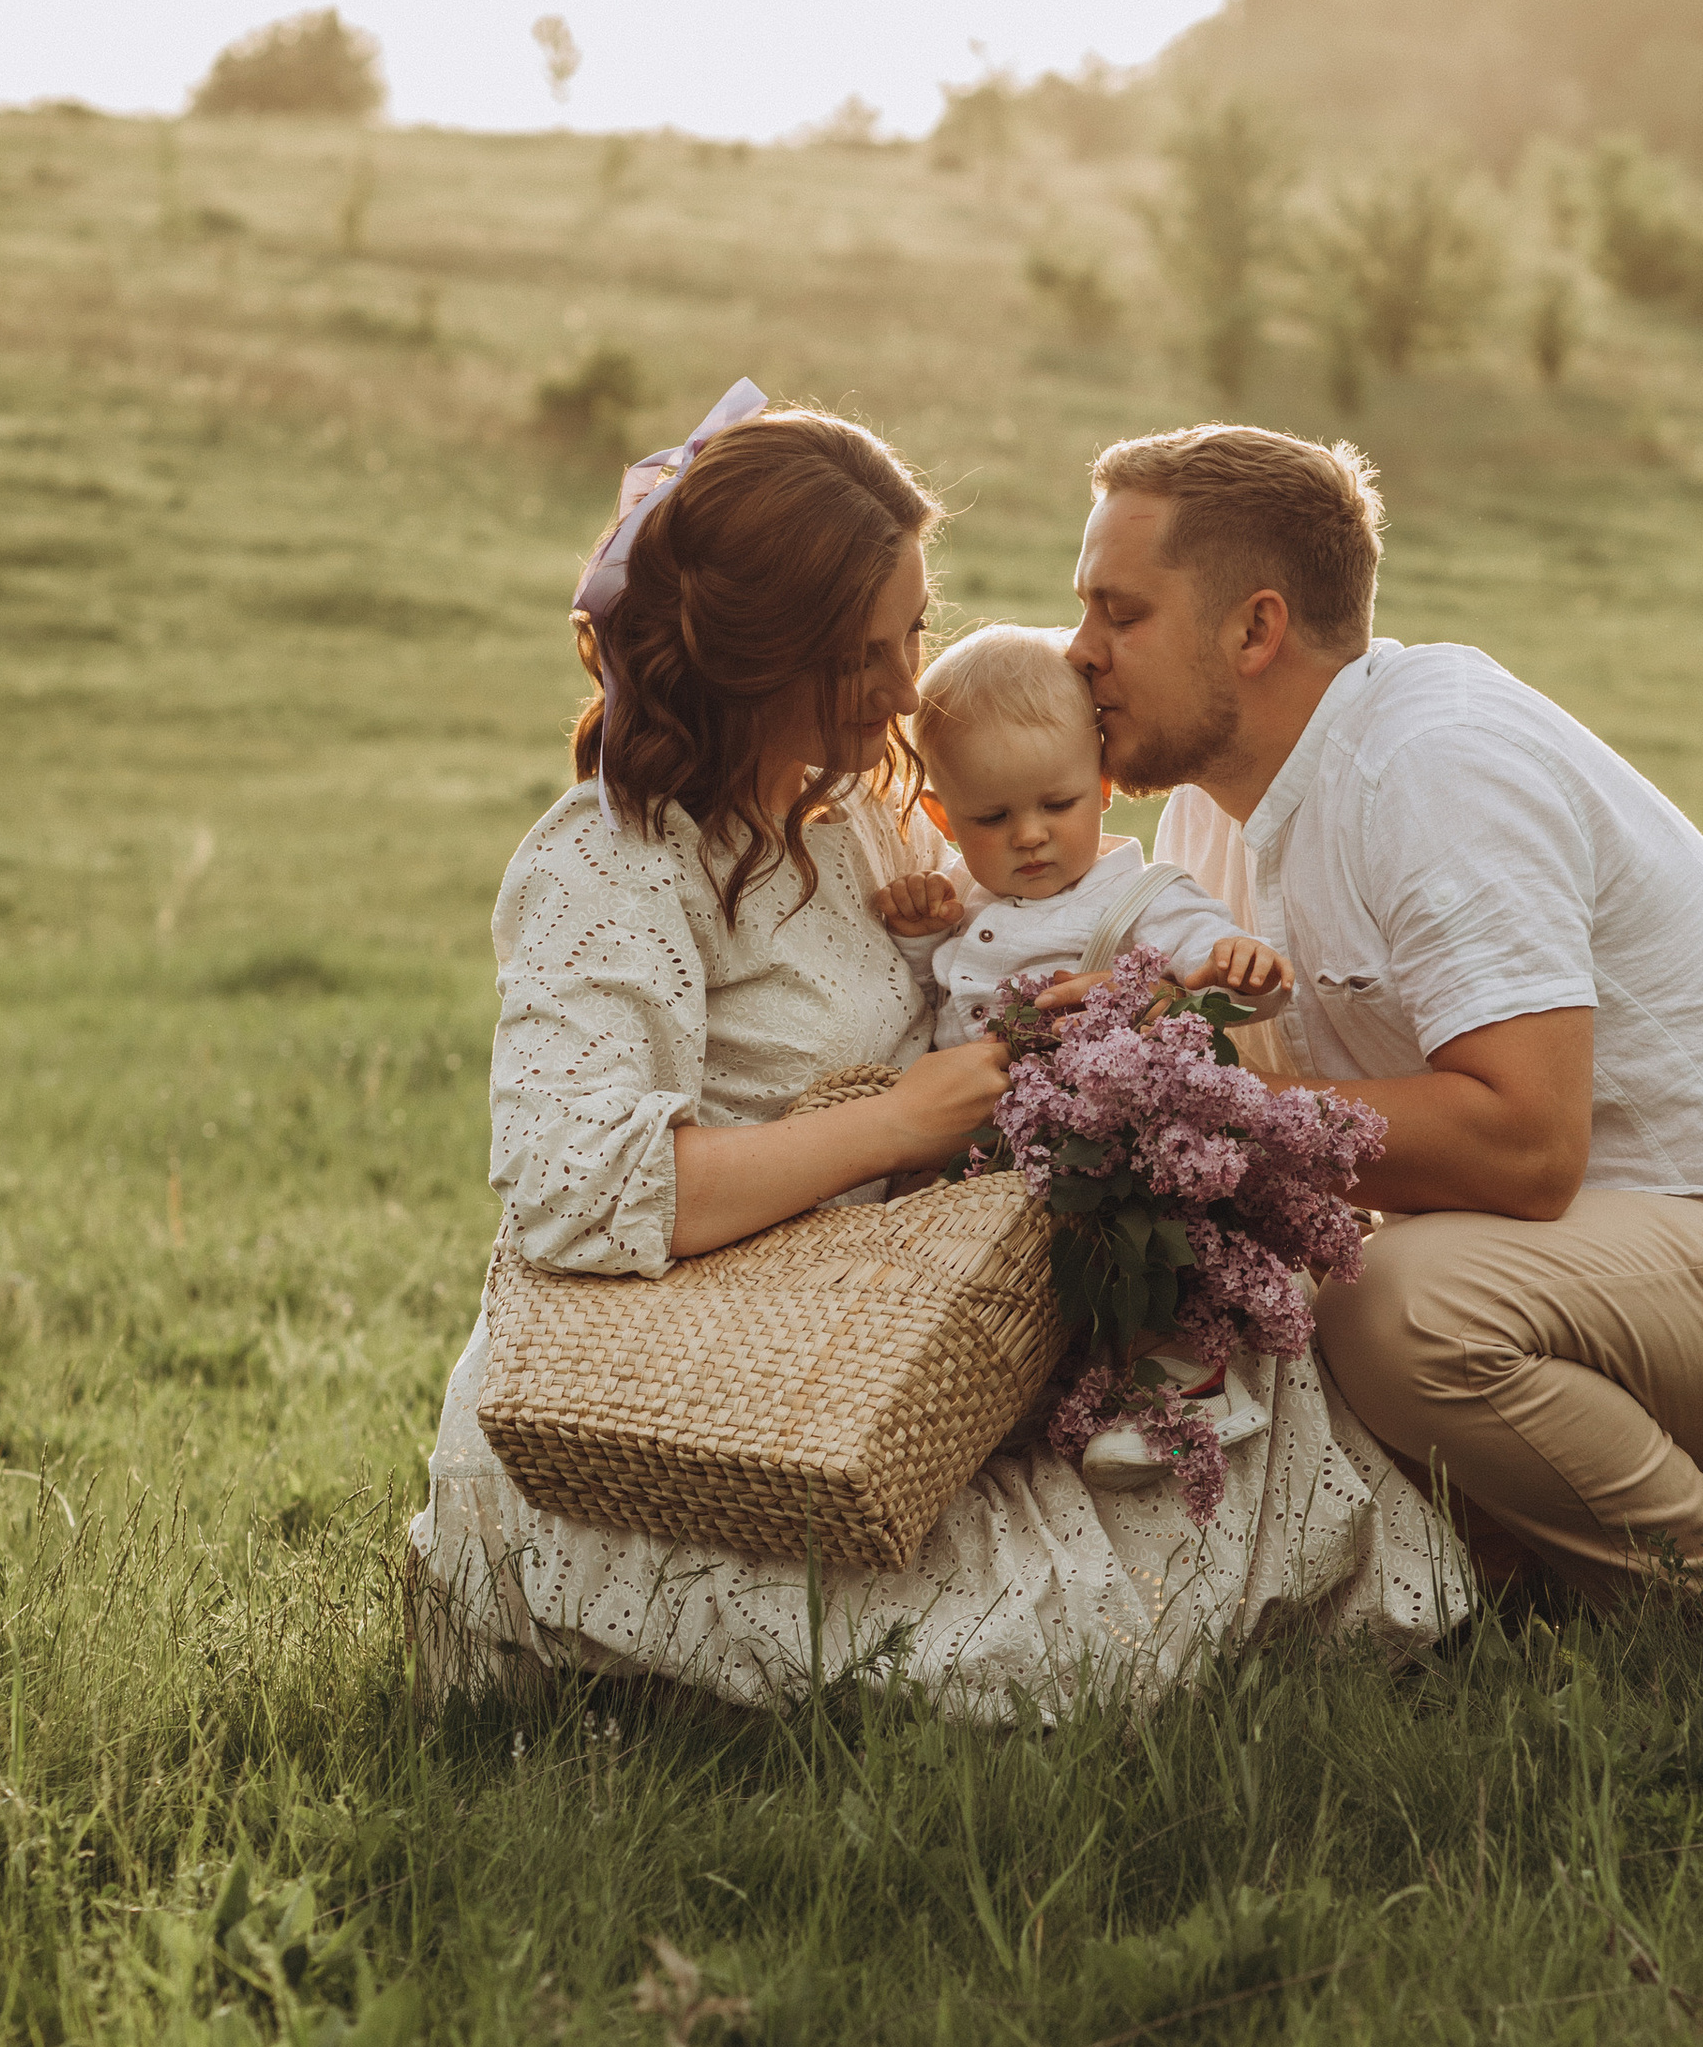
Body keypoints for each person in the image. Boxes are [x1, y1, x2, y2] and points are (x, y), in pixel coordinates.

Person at [405, 392, 1466, 1714]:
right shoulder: (607, 864)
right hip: (699, 1385)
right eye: (870, 654)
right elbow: (581, 1196)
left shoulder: (857, 814)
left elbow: (993, 956)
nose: (911, 685)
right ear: (759, 657)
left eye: (915, 629)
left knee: (1258, 1401)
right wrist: (901, 1126)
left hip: (902, 1327)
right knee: (1085, 1650)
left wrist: (1075, 1011)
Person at [1067, 425, 1703, 1602]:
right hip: (1609, 1253)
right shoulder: (1208, 827)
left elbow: (1527, 1148)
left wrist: (1206, 1106)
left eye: (1120, 616)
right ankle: (1499, 1582)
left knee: (1392, 1310)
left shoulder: (1432, 764)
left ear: (1255, 628)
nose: (1079, 654)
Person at [867, 621, 1288, 1045]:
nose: (1029, 836)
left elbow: (1217, 977)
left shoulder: (1143, 897)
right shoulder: (959, 896)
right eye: (992, 817)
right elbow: (924, 1006)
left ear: (1103, 786)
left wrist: (1242, 968)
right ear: (943, 817)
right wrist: (920, 939)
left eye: (1058, 805)